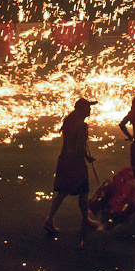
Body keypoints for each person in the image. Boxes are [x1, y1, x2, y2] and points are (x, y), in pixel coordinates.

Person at [44, 97, 98, 232]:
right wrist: (88, 157)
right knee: (84, 191)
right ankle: (85, 220)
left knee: (62, 191)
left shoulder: (69, 121)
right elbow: (79, 147)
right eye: (87, 107)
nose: (90, 110)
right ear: (80, 109)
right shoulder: (81, 125)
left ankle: (49, 219)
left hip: (64, 158)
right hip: (75, 162)